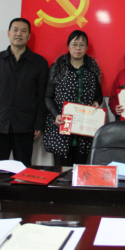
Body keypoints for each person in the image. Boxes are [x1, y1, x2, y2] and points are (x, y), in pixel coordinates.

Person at [0, 18, 48, 167]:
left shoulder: (39, 63)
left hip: (25, 126)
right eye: (15, 30)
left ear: (29, 36)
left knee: (23, 170)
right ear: (8, 33)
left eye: (23, 31)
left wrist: (39, 123)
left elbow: (42, 97)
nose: (19, 34)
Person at [44, 30, 103, 166]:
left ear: (86, 48)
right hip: (62, 127)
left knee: (80, 171)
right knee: (61, 172)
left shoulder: (92, 69)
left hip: (84, 129)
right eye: (74, 44)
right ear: (68, 46)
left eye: (82, 45)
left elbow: (99, 95)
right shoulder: (57, 68)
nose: (78, 48)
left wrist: (96, 102)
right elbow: (48, 96)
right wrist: (56, 115)